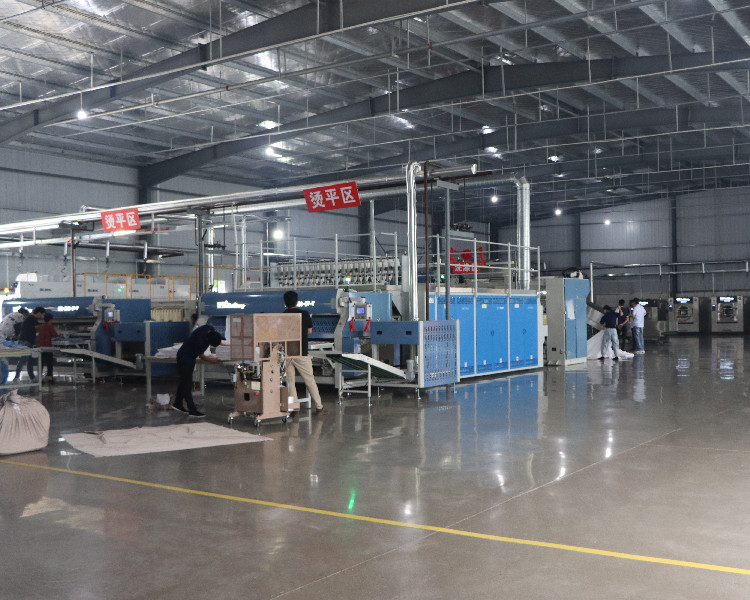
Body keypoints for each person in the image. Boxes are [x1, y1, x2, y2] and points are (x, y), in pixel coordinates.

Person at [283, 290, 326, 415]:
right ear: (297, 301)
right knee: (309, 380)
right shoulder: (304, 314)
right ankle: (319, 407)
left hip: (287, 353)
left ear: (285, 303)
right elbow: (309, 331)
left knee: (290, 382)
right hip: (301, 351)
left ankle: (294, 408)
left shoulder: (282, 315)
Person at [173, 324, 224, 417]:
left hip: (188, 356)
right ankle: (192, 410)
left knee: (184, 381)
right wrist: (212, 360)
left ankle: (177, 403)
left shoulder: (209, 328)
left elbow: (215, 338)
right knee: (187, 385)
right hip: (185, 358)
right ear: (207, 341)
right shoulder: (199, 341)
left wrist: (222, 344)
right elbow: (202, 356)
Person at [14, 306, 45, 381]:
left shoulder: (30, 318)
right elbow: (37, 328)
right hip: (26, 341)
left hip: (27, 341)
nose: (42, 316)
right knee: (24, 359)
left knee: (28, 360)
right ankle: (16, 377)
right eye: (42, 314)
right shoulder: (32, 318)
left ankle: (32, 377)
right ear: (39, 313)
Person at [36, 312, 58, 384]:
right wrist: (59, 334)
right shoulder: (49, 325)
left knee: (41, 363)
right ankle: (49, 378)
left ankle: (40, 379)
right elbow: (54, 334)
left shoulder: (41, 326)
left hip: (40, 347)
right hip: (47, 347)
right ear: (50, 320)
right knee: (49, 363)